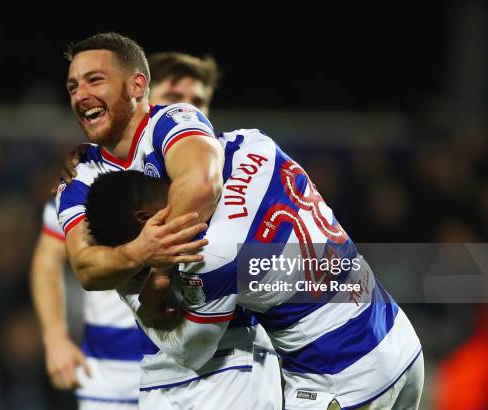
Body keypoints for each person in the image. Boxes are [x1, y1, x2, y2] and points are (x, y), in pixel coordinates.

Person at [83, 128, 425, 410]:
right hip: (398, 339)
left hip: (341, 378)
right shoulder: (250, 144)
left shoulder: (209, 255)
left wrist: (129, 288)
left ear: (145, 220)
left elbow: (191, 350)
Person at [32, 42, 262, 408]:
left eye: (94, 80)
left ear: (138, 87)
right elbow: (83, 268)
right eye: (74, 86)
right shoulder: (79, 178)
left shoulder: (186, 138)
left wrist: (157, 271)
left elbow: (202, 186)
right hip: (128, 364)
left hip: (231, 354)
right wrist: (56, 338)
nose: (81, 95)